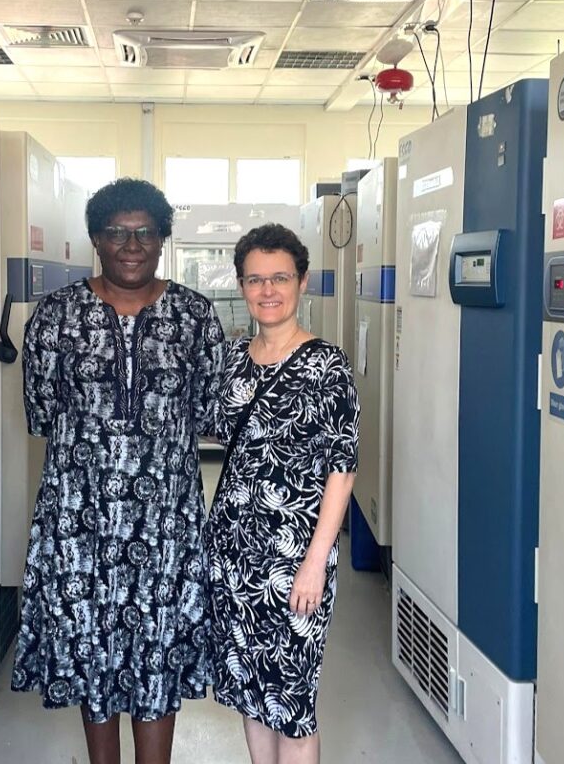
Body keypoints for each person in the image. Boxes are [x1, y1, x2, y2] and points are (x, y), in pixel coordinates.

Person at [11, 177, 226, 764]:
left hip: (166, 526)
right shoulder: (55, 317)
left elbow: (211, 414)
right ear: (95, 240)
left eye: (144, 234)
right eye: (117, 233)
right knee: (92, 651)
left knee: (158, 654)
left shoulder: (194, 316)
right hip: (82, 523)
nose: (131, 245)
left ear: (162, 241)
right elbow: (40, 412)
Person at [205, 223, 359, 764]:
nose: (267, 291)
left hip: (296, 553)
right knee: (253, 691)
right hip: (231, 551)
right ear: (241, 285)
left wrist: (317, 559)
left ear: (302, 282)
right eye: (255, 279)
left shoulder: (327, 366)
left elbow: (343, 466)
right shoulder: (231, 361)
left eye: (280, 278)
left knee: (292, 698)